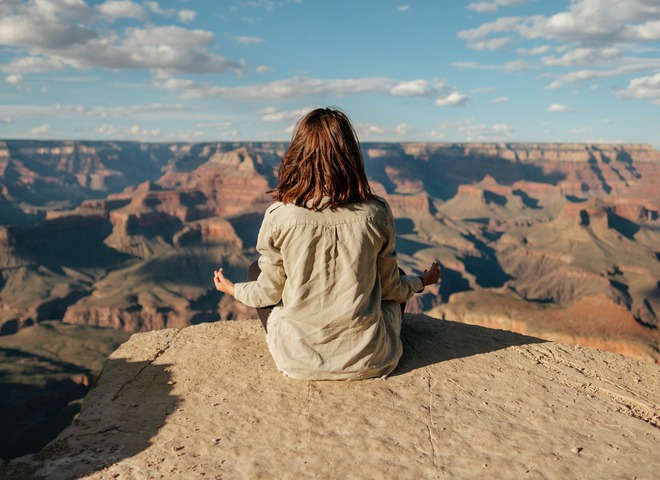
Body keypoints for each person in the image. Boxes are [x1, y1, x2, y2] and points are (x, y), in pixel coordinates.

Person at [213, 107, 441, 380]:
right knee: (399, 275)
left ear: (297, 155)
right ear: (351, 156)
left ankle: (303, 347)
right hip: (371, 360)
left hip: (297, 362)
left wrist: (232, 289)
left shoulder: (279, 215)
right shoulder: (376, 212)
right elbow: (391, 288)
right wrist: (421, 281)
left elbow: (268, 294)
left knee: (256, 272)